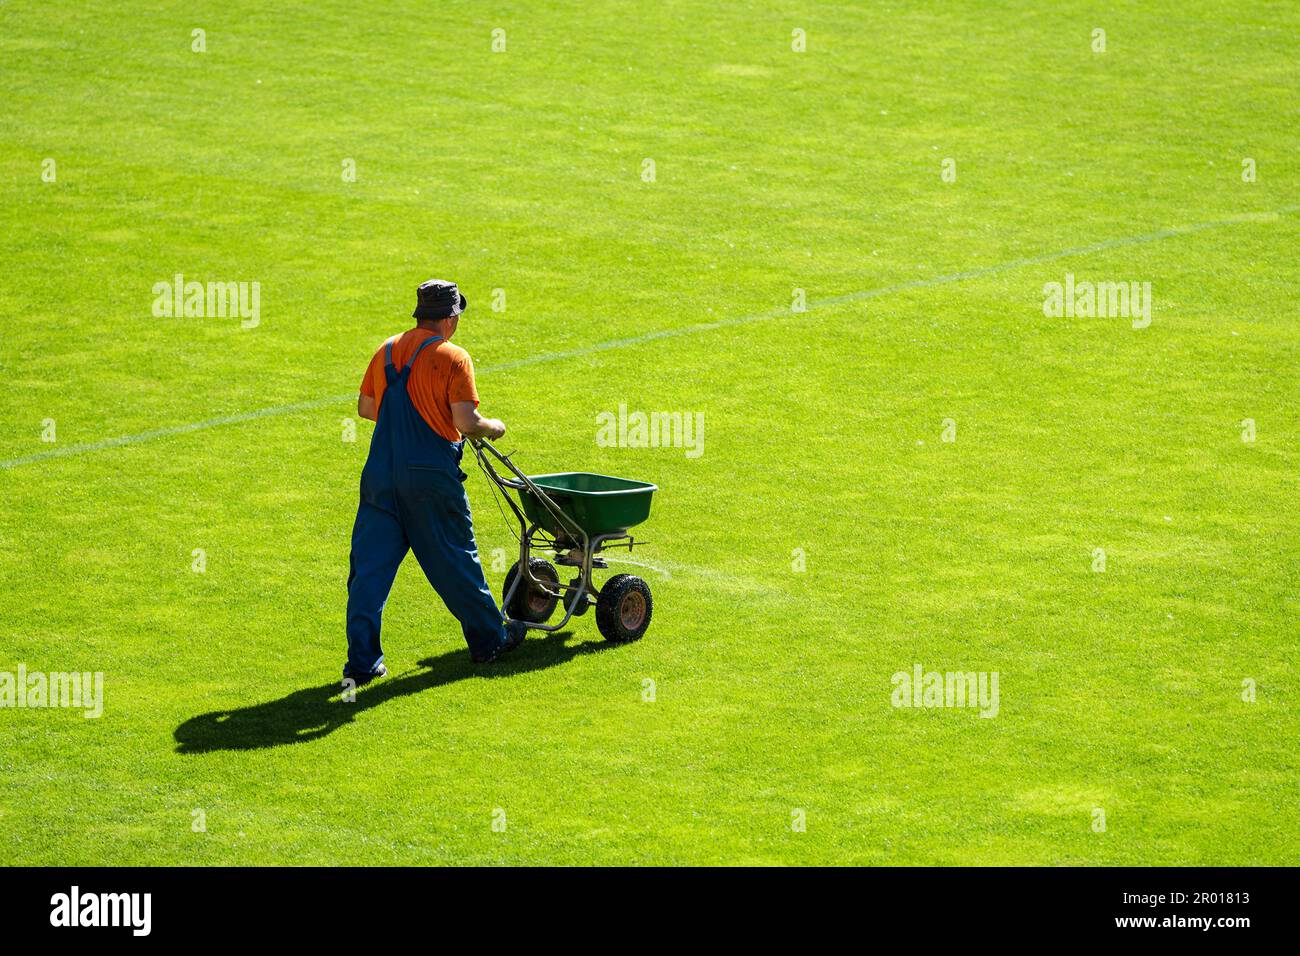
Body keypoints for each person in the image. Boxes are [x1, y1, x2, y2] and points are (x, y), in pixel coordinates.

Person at [343, 279, 524, 686]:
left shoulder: (387, 350)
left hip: (380, 476)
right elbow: (466, 423)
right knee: (456, 560)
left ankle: (362, 662)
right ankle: (490, 639)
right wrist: (494, 427)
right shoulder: (454, 357)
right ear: (451, 317)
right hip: (429, 478)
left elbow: (366, 407)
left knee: (368, 573)